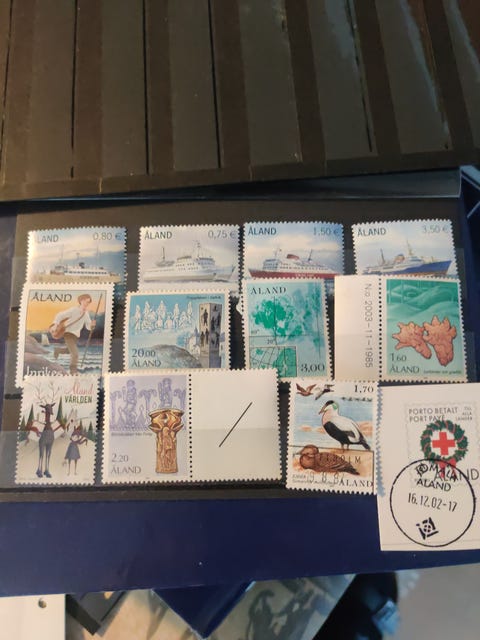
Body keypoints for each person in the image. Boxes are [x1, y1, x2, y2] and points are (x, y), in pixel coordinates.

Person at [52, 294, 96, 374]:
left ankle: (58, 350)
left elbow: (88, 327)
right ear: (81, 301)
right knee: (75, 354)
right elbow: (60, 315)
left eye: (88, 302)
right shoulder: (74, 310)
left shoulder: (86, 314)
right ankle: (73, 371)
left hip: (75, 335)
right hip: (68, 333)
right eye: (85, 301)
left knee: (69, 350)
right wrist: (55, 324)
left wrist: (92, 325)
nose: (86, 303)